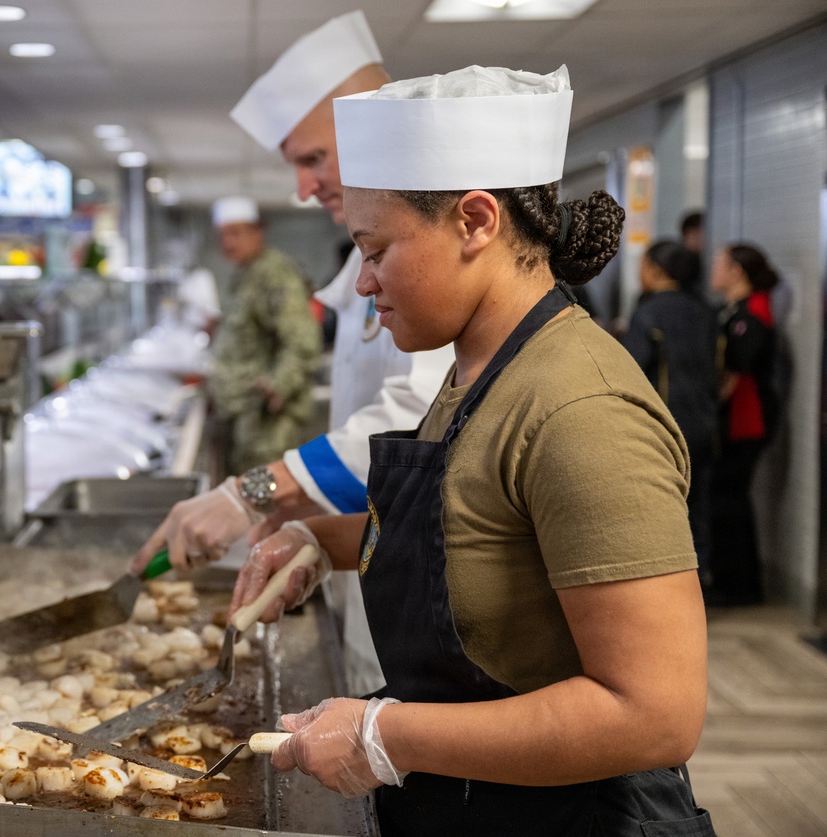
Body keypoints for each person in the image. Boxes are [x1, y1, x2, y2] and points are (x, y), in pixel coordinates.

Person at [229, 64, 713, 835]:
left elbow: (653, 714)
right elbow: (473, 532)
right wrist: (318, 541)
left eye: (376, 248)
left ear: (475, 221)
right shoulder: (478, 367)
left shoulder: (579, 408)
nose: (360, 282)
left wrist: (384, 735)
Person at [133, 11, 453, 695]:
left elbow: (419, 415)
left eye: (314, 158)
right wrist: (303, 520)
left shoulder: (441, 264)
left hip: (433, 604)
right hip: (380, 567)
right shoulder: (364, 275)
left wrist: (252, 492)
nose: (305, 189)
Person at [623, 240, 718, 594]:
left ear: (656, 270)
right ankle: (700, 584)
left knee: (660, 508)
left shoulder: (649, 311)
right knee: (699, 507)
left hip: (664, 427)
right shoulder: (706, 310)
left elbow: (631, 366)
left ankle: (665, 591)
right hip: (705, 424)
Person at [207, 195, 321, 474]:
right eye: (223, 236)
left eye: (236, 234)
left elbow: (302, 340)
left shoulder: (275, 274)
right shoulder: (247, 274)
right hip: (244, 411)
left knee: (266, 499)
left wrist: (278, 386)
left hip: (267, 420)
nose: (228, 243)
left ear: (258, 231)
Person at [708, 242, 782, 606]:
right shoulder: (732, 310)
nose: (714, 268)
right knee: (727, 498)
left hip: (746, 420)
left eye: (720, 263)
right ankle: (731, 580)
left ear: (737, 271)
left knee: (730, 498)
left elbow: (737, 372)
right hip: (735, 420)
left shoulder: (753, 314)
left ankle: (741, 587)